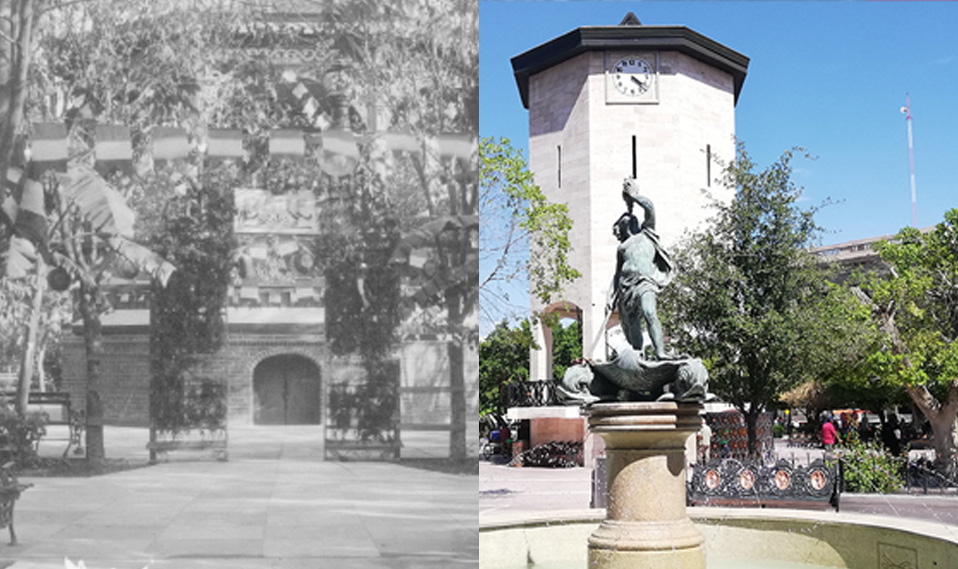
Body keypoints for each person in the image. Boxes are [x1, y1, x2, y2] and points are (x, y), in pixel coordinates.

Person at [608, 178, 674, 359]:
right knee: (632, 322)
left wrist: (634, 196)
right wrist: (609, 296)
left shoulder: (647, 233)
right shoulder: (622, 247)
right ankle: (638, 355)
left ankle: (660, 352)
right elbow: (617, 273)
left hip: (645, 281)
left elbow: (650, 208)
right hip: (625, 286)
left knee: (649, 311)